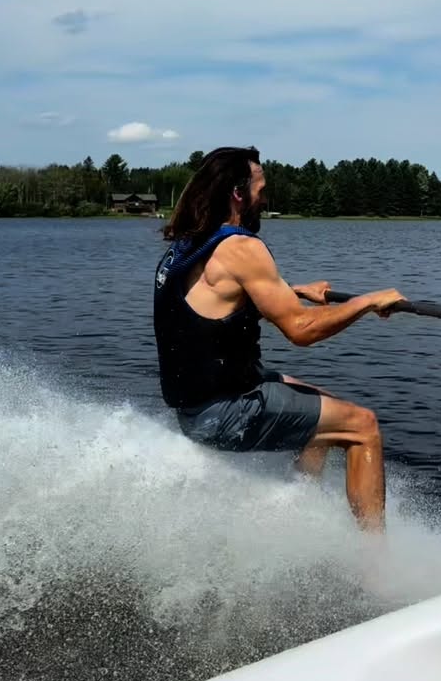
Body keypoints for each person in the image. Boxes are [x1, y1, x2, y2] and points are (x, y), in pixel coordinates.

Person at [154, 146, 406, 531]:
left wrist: (293, 291)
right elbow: (301, 330)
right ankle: (377, 569)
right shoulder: (243, 248)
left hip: (196, 407)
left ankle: (299, 518)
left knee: (324, 405)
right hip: (225, 411)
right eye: (260, 187)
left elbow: (219, 298)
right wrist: (367, 302)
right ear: (238, 193)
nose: (265, 196)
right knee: (362, 427)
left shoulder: (189, 244)